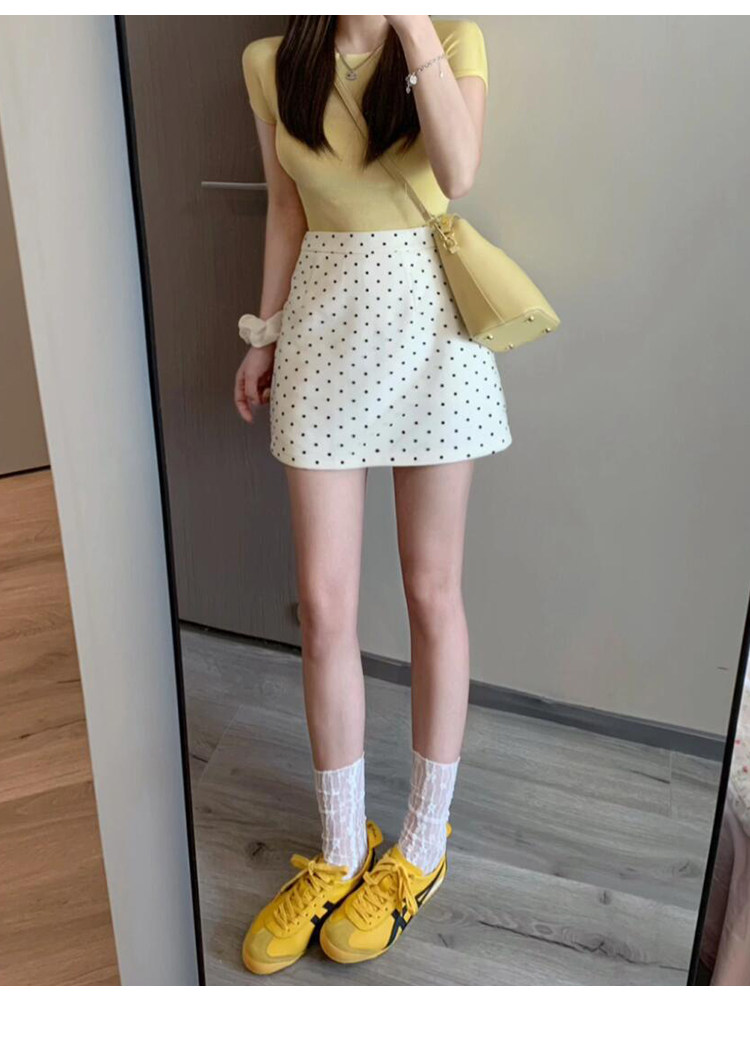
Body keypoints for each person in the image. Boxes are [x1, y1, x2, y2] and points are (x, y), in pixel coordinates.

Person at [235, 15, 511, 975]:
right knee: (323, 609)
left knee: (432, 592)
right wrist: (263, 332)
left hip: (432, 332)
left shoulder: (452, 38)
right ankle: (341, 847)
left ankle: (423, 846)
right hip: (322, 331)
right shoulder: (271, 63)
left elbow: (459, 169)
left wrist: (410, 23)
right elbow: (284, 208)